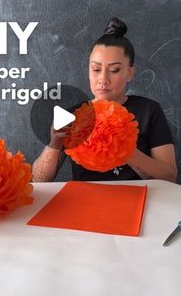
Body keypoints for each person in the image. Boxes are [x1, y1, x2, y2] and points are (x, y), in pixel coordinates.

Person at [32, 18, 177, 182]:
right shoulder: (73, 115)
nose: (103, 79)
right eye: (96, 69)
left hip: (137, 200)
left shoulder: (149, 110)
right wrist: (54, 144)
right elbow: (39, 181)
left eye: (114, 70)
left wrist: (125, 150)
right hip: (85, 202)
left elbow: (169, 177)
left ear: (130, 73)